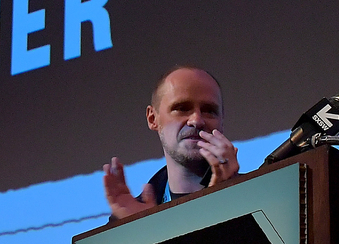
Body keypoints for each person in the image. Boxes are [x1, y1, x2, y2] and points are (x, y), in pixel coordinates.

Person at [103, 66, 240, 220]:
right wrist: (140, 231)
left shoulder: (252, 195)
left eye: (209, 111)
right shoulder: (132, 218)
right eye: (182, 108)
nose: (197, 120)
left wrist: (231, 201)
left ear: (222, 121)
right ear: (153, 119)